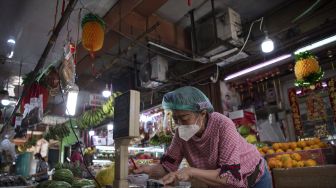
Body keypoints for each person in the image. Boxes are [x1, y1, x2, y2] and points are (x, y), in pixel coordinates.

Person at [134, 86, 272, 188]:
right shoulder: (181, 134)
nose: (179, 124)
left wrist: (191, 171)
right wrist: (148, 170)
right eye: (176, 119)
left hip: (254, 177)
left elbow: (230, 177)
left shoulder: (222, 124)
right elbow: (167, 166)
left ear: (203, 113)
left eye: (184, 118)